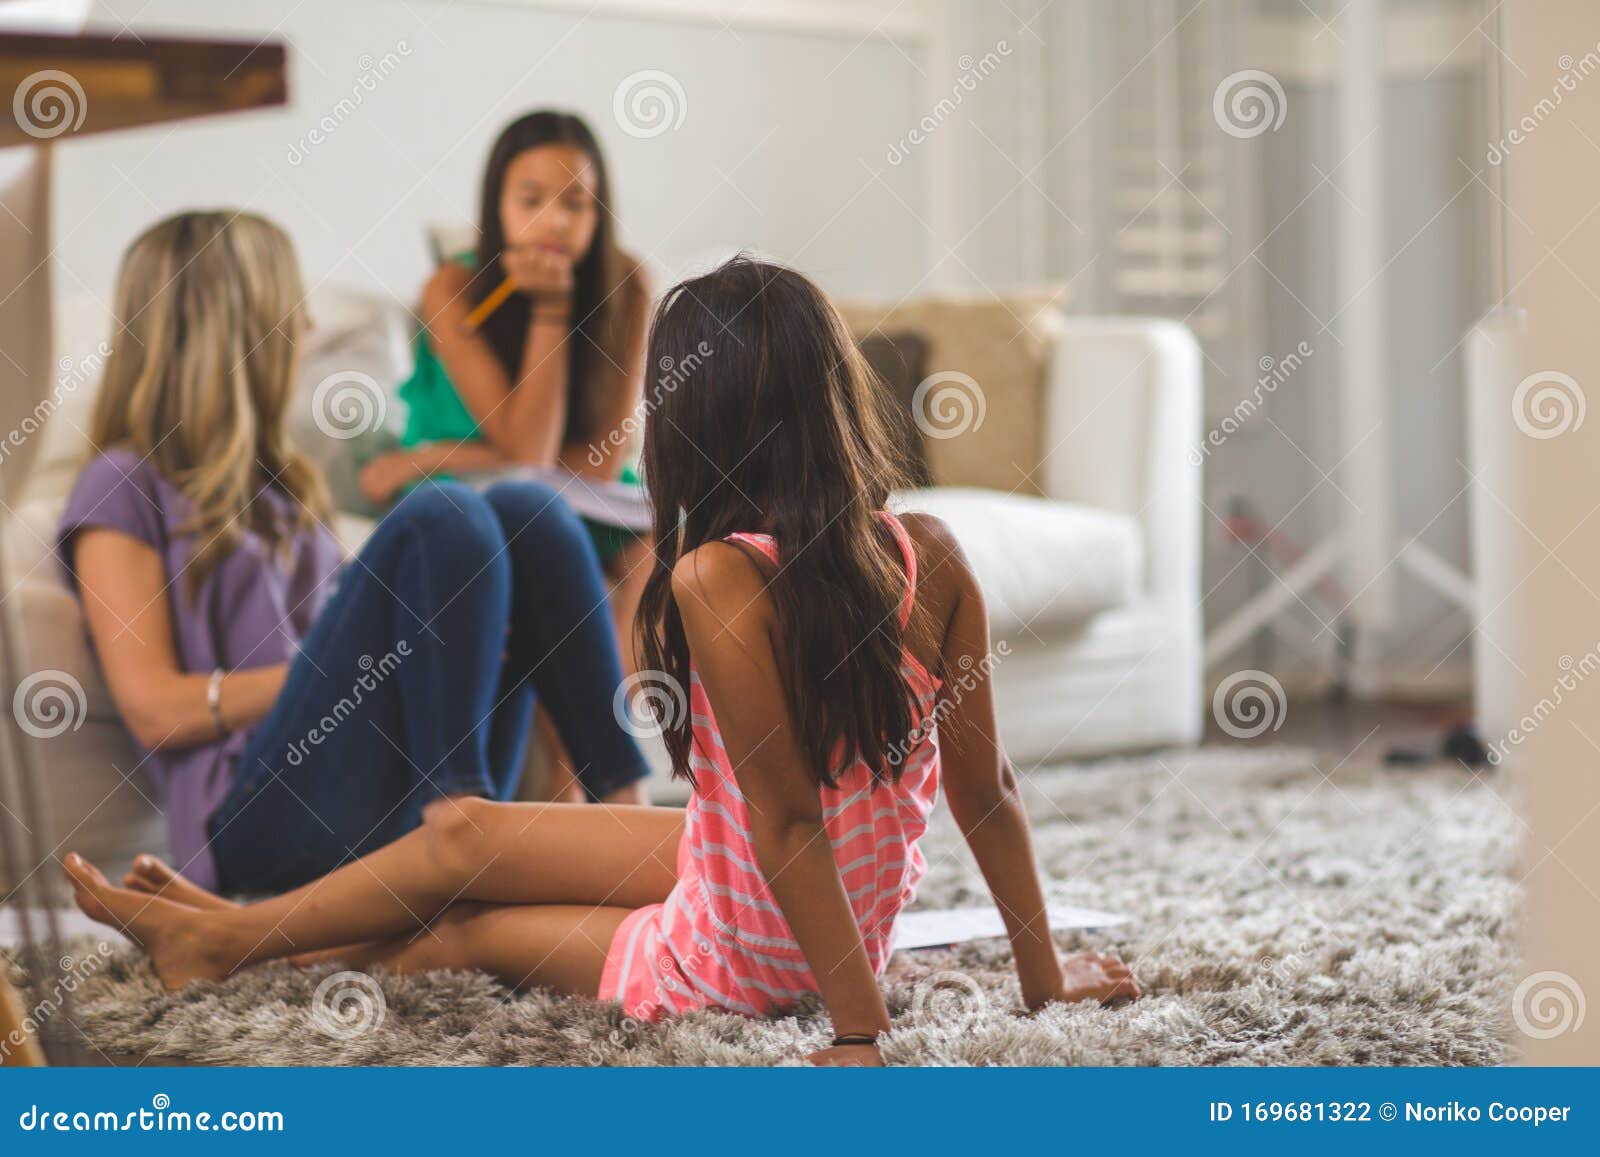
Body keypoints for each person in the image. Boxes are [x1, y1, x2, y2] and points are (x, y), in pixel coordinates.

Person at [64, 256, 1138, 1065]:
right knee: (465, 830)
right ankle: (230, 926)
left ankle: (231, 948)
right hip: (811, 900)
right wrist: (1043, 980)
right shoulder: (935, 554)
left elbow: (789, 821)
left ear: (694, 422)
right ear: (834, 398)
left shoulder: (716, 578)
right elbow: (984, 790)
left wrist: (858, 1030)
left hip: (744, 947)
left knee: (466, 935)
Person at [57, 210, 649, 898]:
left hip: (372, 786)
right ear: (239, 329)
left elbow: (357, 638)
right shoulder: (122, 482)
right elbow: (154, 706)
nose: (307, 331)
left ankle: (623, 815)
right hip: (250, 821)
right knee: (442, 511)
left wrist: (425, 644)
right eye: (292, 311)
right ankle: (460, 826)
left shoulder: (288, 489)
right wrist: (331, 676)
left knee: (528, 508)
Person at [358, 111, 653, 800]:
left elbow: (601, 461)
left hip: (579, 486)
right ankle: (581, 788)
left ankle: (598, 768)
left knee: (652, 554)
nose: (554, 222)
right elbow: (523, 456)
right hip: (482, 497)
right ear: (496, 204)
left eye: (576, 202)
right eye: (531, 201)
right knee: (536, 526)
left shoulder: (627, 283)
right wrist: (549, 310)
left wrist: (433, 454)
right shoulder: (453, 289)